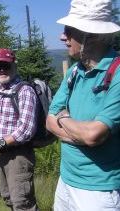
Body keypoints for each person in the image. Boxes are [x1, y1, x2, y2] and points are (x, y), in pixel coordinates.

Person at [46, 0, 120, 210]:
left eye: (69, 30)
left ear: (93, 35)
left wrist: (63, 117)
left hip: (99, 191)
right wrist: (81, 134)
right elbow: (49, 122)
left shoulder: (117, 75)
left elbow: (92, 134)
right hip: (65, 182)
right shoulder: (74, 72)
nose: (63, 37)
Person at [0, 48, 39, 210]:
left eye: (6, 65)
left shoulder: (24, 90)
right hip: (2, 155)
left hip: (19, 156)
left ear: (14, 66)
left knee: (22, 203)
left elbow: (26, 130)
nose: (2, 70)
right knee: (8, 199)